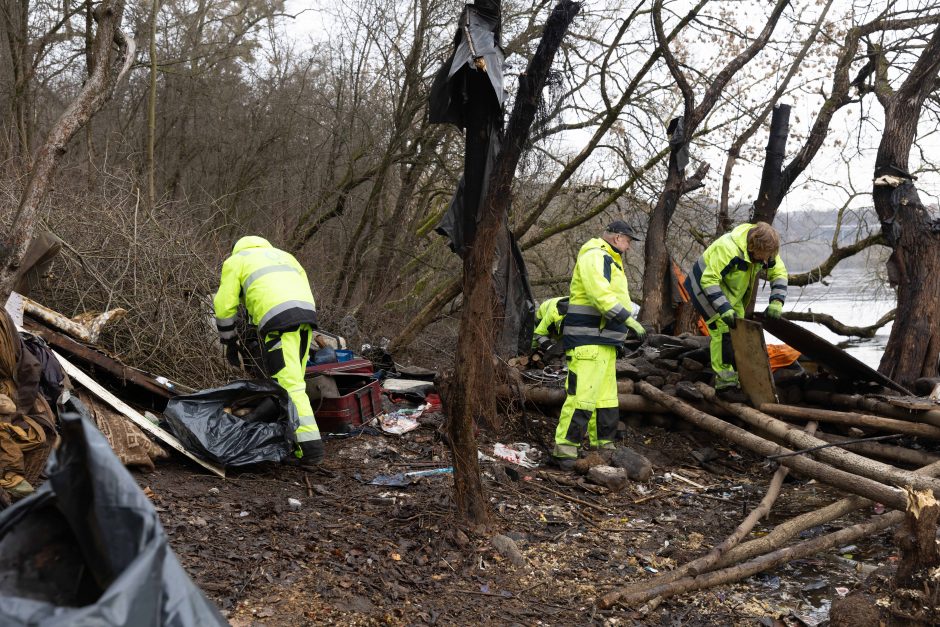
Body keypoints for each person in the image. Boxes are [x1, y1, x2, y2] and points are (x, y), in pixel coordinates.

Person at [213, 236, 323, 464]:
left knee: (290, 386)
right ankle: (298, 442)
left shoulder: (236, 260)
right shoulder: (286, 256)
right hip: (306, 319)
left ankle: (311, 449)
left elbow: (224, 306)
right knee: (295, 382)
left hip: (279, 323)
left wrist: (229, 342)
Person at [552, 221, 646, 468]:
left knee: (605, 398)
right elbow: (599, 294)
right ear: (617, 238)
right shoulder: (596, 256)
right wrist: (628, 320)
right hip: (588, 340)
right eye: (628, 241)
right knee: (582, 397)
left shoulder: (610, 259)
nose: (629, 247)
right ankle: (565, 451)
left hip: (604, 341)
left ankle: (603, 445)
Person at [683, 221, 788, 401]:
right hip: (703, 285)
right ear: (752, 246)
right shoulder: (728, 248)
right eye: (762, 257)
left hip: (732, 290)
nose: (765, 261)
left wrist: (777, 301)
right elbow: (709, 280)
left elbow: (779, 273)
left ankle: (737, 375)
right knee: (723, 330)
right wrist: (724, 309)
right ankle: (725, 383)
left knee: (737, 330)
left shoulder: (767, 249)